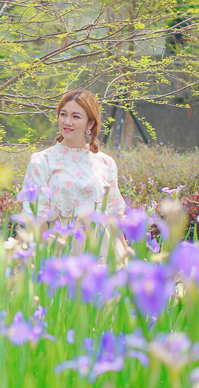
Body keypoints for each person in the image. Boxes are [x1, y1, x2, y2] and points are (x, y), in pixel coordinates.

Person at [20, 89, 129, 262]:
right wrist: (39, 260)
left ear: (90, 123)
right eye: (63, 114)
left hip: (105, 249)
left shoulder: (105, 163)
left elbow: (114, 213)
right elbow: (38, 215)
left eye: (76, 117)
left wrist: (126, 251)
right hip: (63, 247)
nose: (67, 122)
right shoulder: (42, 161)